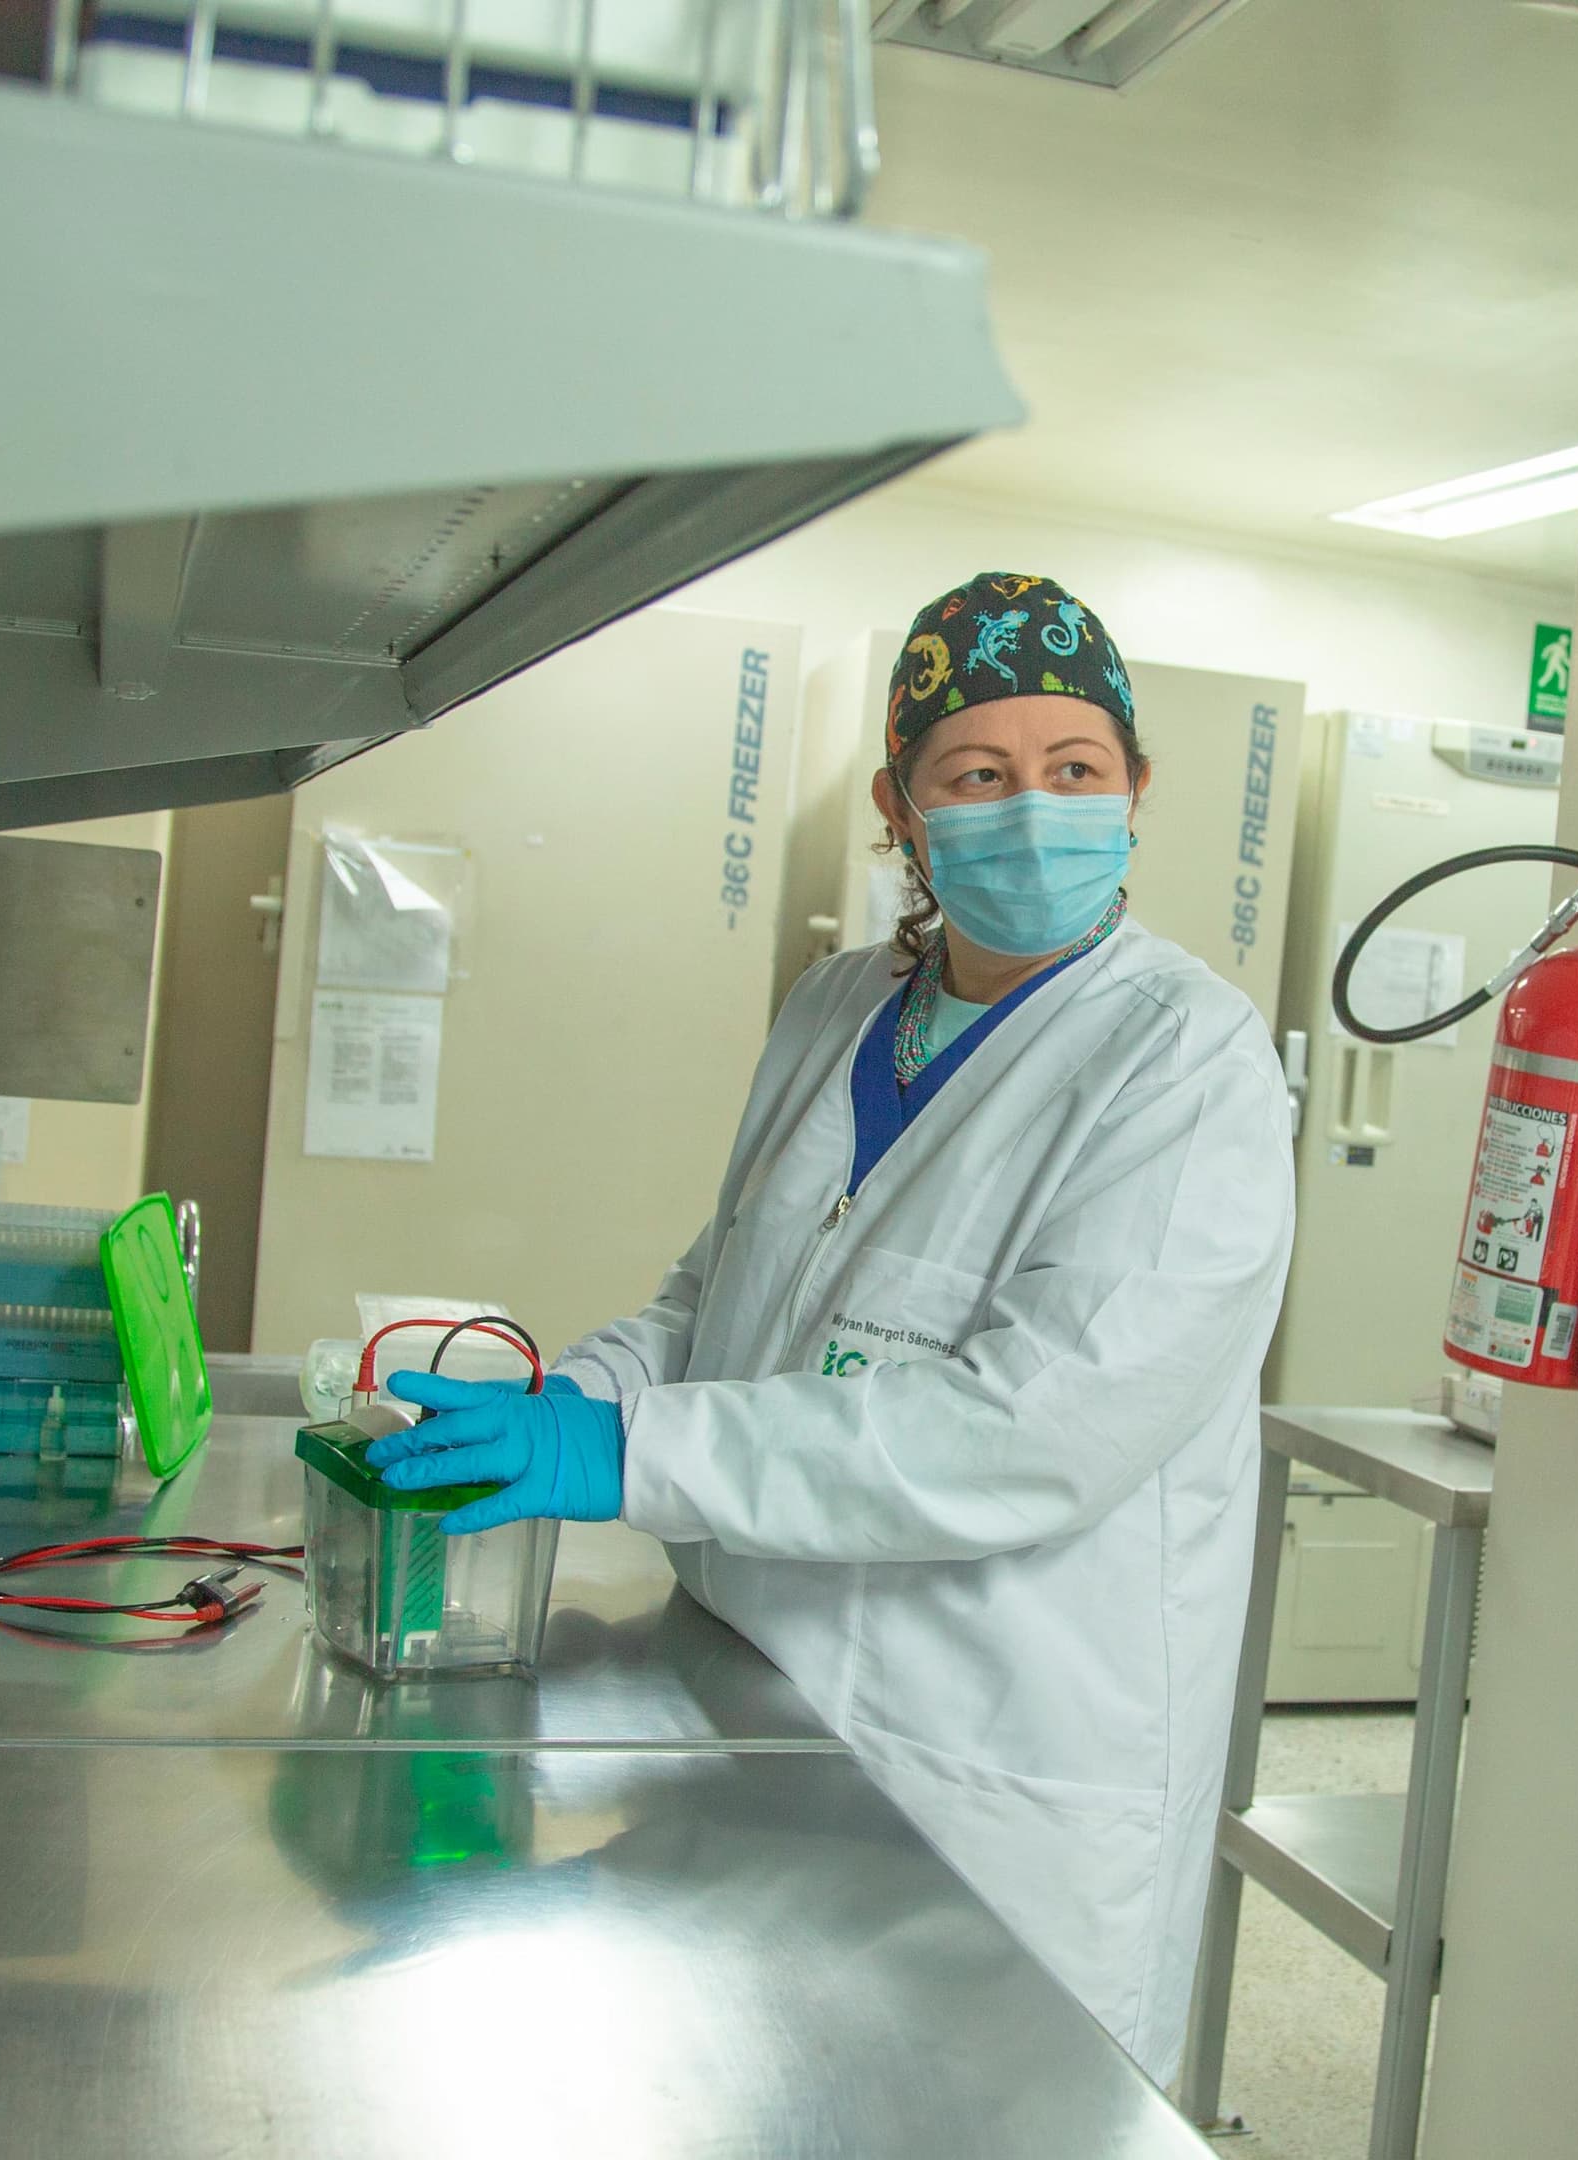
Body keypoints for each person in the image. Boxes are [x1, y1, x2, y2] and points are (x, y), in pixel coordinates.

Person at [363, 571, 1297, 2081]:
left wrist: (617, 1451)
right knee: (762, 2091)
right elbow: (712, 1299)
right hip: (757, 1702)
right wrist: (553, 1398)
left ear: (1137, 788)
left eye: (1075, 771)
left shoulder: (1182, 1061)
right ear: (901, 804)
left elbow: (1029, 1434)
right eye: (977, 774)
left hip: (991, 1770)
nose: (1031, 808)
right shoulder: (843, 1007)